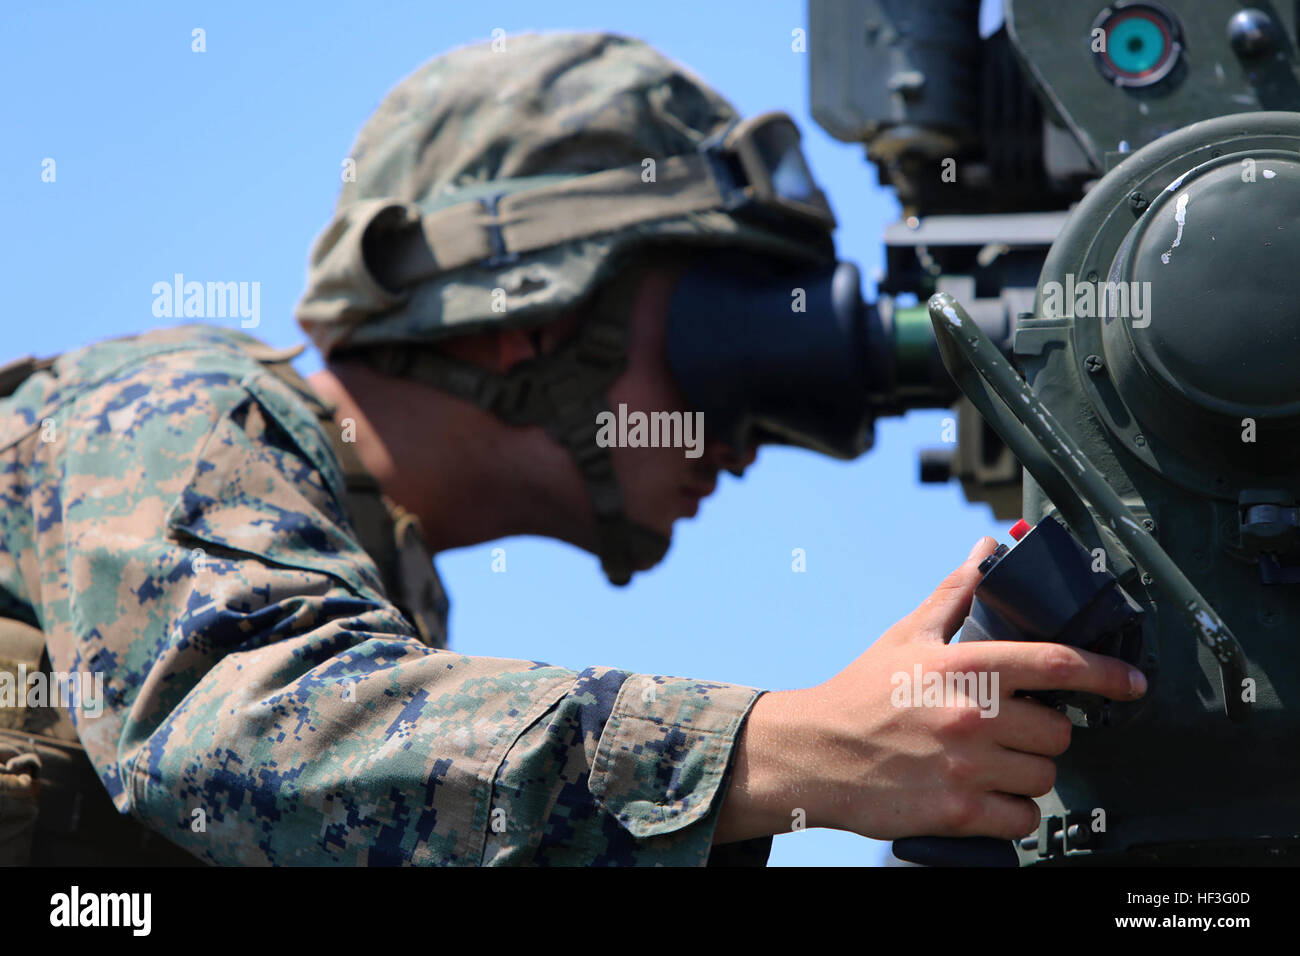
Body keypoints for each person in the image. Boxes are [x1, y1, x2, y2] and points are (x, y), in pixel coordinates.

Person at [0, 31, 1146, 866]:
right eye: (722, 337)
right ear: (529, 313)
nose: (744, 446)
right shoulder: (172, 410)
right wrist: (781, 749)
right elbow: (240, 736)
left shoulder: (386, 603)